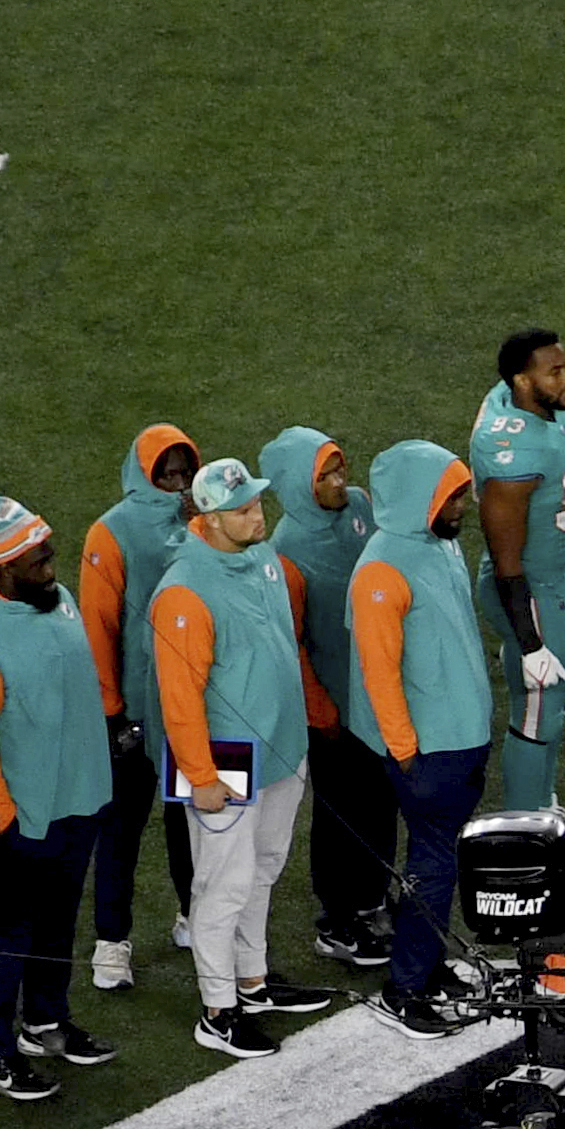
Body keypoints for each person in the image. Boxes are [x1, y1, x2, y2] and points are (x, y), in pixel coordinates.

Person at [148, 459, 335, 1057]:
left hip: (281, 747)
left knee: (264, 868)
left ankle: (252, 982)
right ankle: (217, 1010)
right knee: (221, 885)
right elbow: (179, 699)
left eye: (257, 504)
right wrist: (200, 776)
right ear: (209, 518)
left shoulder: (263, 558)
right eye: (244, 509)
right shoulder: (183, 592)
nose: (259, 516)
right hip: (222, 759)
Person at [0, 492, 115, 1098]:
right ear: (4, 566)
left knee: (58, 919)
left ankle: (44, 1021)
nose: (51, 567)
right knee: (7, 930)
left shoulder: (58, 601)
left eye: (49, 555)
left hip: (77, 800)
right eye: (38, 561)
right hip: (17, 817)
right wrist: (0, 816)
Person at [343, 441, 498, 1031]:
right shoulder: (380, 573)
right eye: (451, 496)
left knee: (442, 864)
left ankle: (428, 968)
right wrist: (406, 752)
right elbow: (379, 674)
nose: (463, 505)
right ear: (418, 499)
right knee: (431, 868)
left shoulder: (438, 545)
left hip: (459, 736)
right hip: (429, 751)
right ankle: (405, 990)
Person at [465, 329, 565, 836]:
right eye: (555, 372)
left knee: (557, 698)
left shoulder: (532, 404)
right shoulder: (514, 458)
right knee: (537, 711)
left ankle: (544, 809)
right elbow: (507, 561)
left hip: (558, 580)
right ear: (523, 381)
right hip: (532, 589)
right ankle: (525, 838)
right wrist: (529, 644)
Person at [76, 423, 201, 993]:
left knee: (193, 820)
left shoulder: (207, 523)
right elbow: (97, 627)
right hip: (134, 711)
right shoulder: (110, 532)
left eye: (185, 473)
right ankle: (111, 942)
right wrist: (110, 710)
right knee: (121, 830)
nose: (177, 485)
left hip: (192, 709)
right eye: (166, 474)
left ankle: (194, 916)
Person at [262, 430, 389, 970]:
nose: (341, 481)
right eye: (325, 475)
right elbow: (289, 641)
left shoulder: (360, 506)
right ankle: (336, 921)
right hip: (333, 706)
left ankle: (372, 900)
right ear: (298, 485)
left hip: (376, 693)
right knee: (341, 813)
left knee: (381, 801)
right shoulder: (285, 551)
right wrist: (321, 710)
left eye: (340, 468)